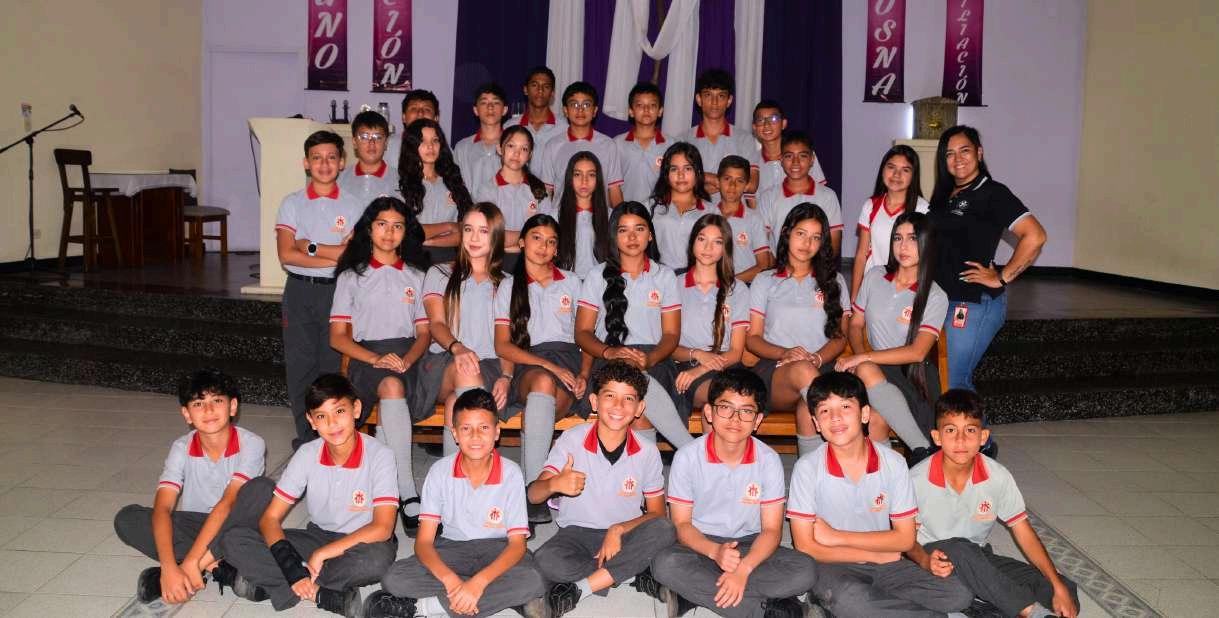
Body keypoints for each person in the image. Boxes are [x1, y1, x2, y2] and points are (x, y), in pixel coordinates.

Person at [789, 372, 972, 618]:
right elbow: (806, 546)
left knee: (958, 594)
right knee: (849, 599)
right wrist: (873, 555)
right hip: (834, 563)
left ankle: (851, 605)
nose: (835, 417)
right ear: (816, 423)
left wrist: (835, 536)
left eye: (845, 406)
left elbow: (905, 539)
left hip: (885, 563)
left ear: (865, 414)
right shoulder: (807, 468)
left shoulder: (893, 463)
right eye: (824, 411)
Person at [219, 375, 399, 614]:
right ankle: (319, 593)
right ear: (311, 421)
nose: (332, 423)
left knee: (377, 560)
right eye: (321, 416)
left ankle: (276, 584)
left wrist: (321, 555)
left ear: (356, 409)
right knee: (233, 539)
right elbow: (270, 518)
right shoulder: (306, 454)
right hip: (317, 536)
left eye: (339, 411)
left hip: (362, 541)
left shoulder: (380, 455)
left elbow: (383, 528)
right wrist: (291, 566)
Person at [651, 369, 816, 618]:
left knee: (806, 570)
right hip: (700, 545)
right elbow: (682, 525)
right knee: (665, 563)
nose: (735, 419)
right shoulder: (687, 458)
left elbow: (772, 530)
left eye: (746, 411)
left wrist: (743, 570)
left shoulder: (768, 459)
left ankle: (692, 593)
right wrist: (715, 552)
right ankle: (770, 612)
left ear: (757, 420)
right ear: (709, 412)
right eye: (725, 408)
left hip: (750, 544)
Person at [368, 389, 547, 618]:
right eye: (466, 429)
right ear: (454, 433)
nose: (475, 436)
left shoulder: (511, 474)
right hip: (452, 548)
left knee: (534, 579)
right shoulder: (439, 472)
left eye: (484, 428)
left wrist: (478, 583)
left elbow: (517, 545)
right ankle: (497, 597)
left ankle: (422, 608)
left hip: (498, 548)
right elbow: (423, 542)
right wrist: (451, 580)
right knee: (394, 578)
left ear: (496, 432)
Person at [908, 390, 1080, 618]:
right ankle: (1031, 612)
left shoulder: (997, 476)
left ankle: (991, 601)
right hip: (931, 559)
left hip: (977, 557)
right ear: (936, 437)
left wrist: (1056, 585)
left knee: (1062, 588)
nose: (961, 440)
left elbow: (1023, 532)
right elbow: (905, 541)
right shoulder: (916, 480)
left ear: (983, 437)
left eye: (970, 430)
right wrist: (924, 560)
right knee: (959, 552)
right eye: (950, 430)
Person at [529, 361, 677, 617]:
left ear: (639, 408)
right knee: (545, 559)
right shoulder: (571, 440)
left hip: (625, 534)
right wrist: (554, 484)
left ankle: (580, 588)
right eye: (610, 396)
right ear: (594, 402)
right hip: (577, 533)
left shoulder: (647, 452)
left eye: (628, 398)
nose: (618, 406)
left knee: (665, 529)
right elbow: (533, 495)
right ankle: (632, 574)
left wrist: (618, 529)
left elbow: (657, 514)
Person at [114, 369, 266, 605]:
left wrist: (192, 561)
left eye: (217, 401)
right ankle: (220, 568)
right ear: (186, 414)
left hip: (236, 526)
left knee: (263, 490)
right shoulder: (181, 447)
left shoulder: (252, 444)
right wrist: (167, 566)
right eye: (198, 404)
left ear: (233, 406)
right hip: (197, 527)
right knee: (127, 519)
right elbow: (163, 508)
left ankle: (193, 569)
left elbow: (228, 504)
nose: (208, 410)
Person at [329, 196, 432, 536]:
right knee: (390, 385)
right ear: (369, 229)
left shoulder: (418, 275)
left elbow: (424, 333)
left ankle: (386, 487)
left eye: (397, 226)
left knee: (395, 384)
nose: (389, 233)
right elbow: (337, 338)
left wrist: (408, 359)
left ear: (406, 232)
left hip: (409, 355)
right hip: (366, 356)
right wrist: (375, 358)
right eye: (382, 224)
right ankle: (406, 490)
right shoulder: (352, 276)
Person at [928, 126, 1047, 398]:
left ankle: (978, 429)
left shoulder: (992, 193)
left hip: (971, 301)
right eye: (949, 153)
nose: (957, 159)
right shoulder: (944, 196)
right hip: (941, 299)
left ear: (979, 153)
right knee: (940, 377)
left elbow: (1035, 235)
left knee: (955, 381)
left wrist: (1002, 277)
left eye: (965, 150)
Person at [574, 201, 694, 449]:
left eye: (639, 229)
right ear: (614, 236)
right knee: (635, 399)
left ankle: (658, 468)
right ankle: (689, 450)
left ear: (650, 235)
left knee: (640, 409)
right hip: (608, 358)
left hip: (655, 360)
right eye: (623, 230)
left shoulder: (664, 276)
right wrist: (610, 352)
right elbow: (582, 333)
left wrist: (650, 360)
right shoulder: (597, 275)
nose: (632, 237)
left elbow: (671, 334)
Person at [275, 130, 366, 449]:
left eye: (331, 157)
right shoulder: (292, 203)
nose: (324, 164)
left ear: (342, 162)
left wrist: (311, 247)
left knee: (332, 365)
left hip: (337, 292)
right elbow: (287, 255)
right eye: (316, 158)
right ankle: (306, 438)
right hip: (299, 291)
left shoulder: (354, 205)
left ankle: (332, 436)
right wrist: (334, 255)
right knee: (300, 366)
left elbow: (354, 255)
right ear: (306, 163)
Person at [492, 213, 584, 524]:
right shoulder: (508, 286)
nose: (543, 246)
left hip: (569, 361)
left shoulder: (572, 282)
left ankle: (528, 489)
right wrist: (546, 365)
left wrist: (584, 374)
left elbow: (586, 336)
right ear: (521, 243)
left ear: (557, 249)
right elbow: (503, 345)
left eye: (551, 241)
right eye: (536, 238)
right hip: (529, 363)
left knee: (547, 407)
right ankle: (534, 490)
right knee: (544, 382)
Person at [837, 212, 947, 464]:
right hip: (875, 372)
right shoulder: (875, 276)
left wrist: (864, 358)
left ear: (927, 244)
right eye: (898, 238)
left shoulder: (935, 295)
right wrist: (861, 357)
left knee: (869, 378)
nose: (903, 246)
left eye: (912, 238)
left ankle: (921, 450)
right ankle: (915, 456)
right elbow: (856, 324)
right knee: (875, 416)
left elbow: (917, 352)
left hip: (913, 373)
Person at [747, 204, 850, 457]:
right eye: (801, 234)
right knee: (807, 374)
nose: (807, 243)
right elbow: (753, 340)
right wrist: (786, 353)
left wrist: (817, 358)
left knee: (809, 406)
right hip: (777, 370)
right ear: (786, 233)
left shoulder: (834, 281)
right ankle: (847, 454)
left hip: (821, 366)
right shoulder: (765, 280)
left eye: (816, 237)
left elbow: (840, 338)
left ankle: (811, 474)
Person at [413, 202, 513, 457]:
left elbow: (510, 341)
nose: (474, 238)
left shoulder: (508, 282)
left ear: (496, 236)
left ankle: (454, 472)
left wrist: (507, 377)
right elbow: (436, 324)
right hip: (445, 360)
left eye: (483, 231)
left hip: (490, 365)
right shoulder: (439, 272)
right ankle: (472, 465)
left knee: (456, 403)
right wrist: (458, 348)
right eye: (468, 229)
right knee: (466, 371)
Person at [668, 214, 750, 422]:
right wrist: (697, 355)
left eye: (717, 242)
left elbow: (736, 352)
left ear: (725, 249)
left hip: (726, 365)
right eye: (702, 239)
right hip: (685, 364)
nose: (708, 247)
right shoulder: (673, 284)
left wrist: (703, 367)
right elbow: (668, 345)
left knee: (725, 398)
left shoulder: (737, 289)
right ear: (692, 242)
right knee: (721, 399)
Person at [850, 145, 929, 301]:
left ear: (913, 175)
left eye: (905, 170)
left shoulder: (923, 209)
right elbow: (861, 254)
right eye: (891, 167)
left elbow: (925, 257)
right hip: (873, 286)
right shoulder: (870, 205)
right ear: (882, 170)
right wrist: (854, 296)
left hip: (906, 289)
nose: (896, 175)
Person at [756, 131, 842, 257]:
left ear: (812, 159)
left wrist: (816, 267)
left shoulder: (828, 196)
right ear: (781, 160)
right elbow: (762, 244)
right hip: (779, 267)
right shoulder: (768, 197)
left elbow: (834, 243)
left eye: (802, 156)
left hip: (817, 267)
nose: (795, 162)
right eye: (789, 156)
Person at [538, 81, 624, 206]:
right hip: (562, 216)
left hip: (599, 216)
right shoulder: (552, 146)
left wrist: (620, 216)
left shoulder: (608, 145)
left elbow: (614, 189)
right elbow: (547, 190)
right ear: (565, 110)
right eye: (574, 104)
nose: (580, 110)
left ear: (595, 110)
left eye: (586, 104)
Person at [474, 125, 554, 254]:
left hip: (531, 260)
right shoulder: (487, 190)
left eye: (524, 149)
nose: (517, 153)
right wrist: (530, 237)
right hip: (495, 260)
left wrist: (510, 242)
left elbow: (547, 234)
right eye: (511, 146)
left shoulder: (539, 190)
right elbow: (489, 237)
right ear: (499, 148)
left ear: (530, 155)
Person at [398, 118, 473, 251]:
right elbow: (405, 231)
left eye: (435, 140)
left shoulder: (453, 181)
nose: (430, 146)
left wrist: (430, 241)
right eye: (423, 141)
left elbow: (467, 230)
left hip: (452, 256)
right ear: (411, 145)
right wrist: (449, 226)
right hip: (415, 256)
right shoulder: (402, 185)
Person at [683, 68, 759, 196]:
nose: (714, 102)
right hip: (695, 209)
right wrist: (709, 177)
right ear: (699, 99)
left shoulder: (744, 139)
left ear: (729, 101)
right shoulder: (683, 140)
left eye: (721, 96)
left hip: (734, 209)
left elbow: (751, 184)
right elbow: (678, 183)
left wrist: (705, 181)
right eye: (708, 95)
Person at [649, 142, 714, 270]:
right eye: (674, 169)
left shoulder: (711, 211)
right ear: (666, 174)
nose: (681, 175)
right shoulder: (650, 206)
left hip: (697, 277)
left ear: (698, 173)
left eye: (687, 168)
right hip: (658, 276)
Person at [713, 155, 772, 282]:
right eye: (727, 179)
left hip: (745, 285)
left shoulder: (754, 219)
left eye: (739, 181)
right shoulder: (708, 215)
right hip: (712, 285)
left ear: (746, 186)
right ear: (718, 182)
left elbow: (763, 264)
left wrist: (731, 283)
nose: (732, 185)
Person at [554, 152, 611, 279]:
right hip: (565, 283)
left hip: (601, 282)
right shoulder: (554, 216)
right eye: (577, 174)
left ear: (598, 179)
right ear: (570, 178)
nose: (584, 181)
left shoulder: (610, 215)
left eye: (591, 174)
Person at [751, 100, 825, 195]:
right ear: (754, 127)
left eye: (773, 119)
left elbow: (820, 192)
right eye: (760, 120)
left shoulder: (803, 154)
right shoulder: (752, 162)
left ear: (783, 124)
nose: (766, 125)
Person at [615, 81, 669, 203]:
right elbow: (612, 186)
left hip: (660, 211)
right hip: (626, 210)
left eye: (652, 105)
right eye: (640, 105)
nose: (646, 109)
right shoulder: (617, 144)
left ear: (660, 111)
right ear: (631, 111)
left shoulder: (671, 145)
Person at [453, 82, 510, 191]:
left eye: (496, 102)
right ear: (476, 110)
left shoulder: (514, 145)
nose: (490, 107)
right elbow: (456, 186)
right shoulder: (462, 147)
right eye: (484, 102)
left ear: (504, 110)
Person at [339, 110, 401, 208]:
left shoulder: (399, 181)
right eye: (364, 137)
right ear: (354, 142)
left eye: (378, 137)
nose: (371, 143)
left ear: (386, 143)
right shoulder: (340, 180)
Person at [508, 66, 567, 146]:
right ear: (525, 90)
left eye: (546, 86)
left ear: (552, 93)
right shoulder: (510, 126)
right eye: (534, 85)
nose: (540, 90)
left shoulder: (565, 127)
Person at [387, 89, 441, 166]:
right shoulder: (386, 146)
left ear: (436, 118)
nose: (420, 113)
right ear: (404, 117)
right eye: (414, 109)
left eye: (427, 109)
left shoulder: (444, 150)